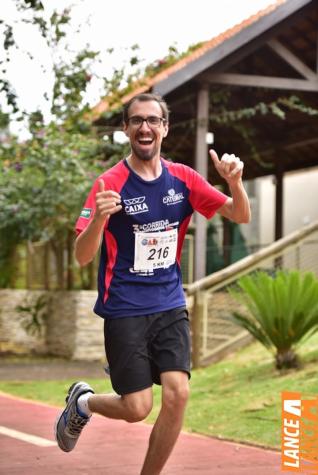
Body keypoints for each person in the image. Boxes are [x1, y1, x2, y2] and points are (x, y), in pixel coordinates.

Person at [54, 92, 251, 474]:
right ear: (127, 129)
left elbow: (239, 215)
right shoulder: (108, 183)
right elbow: (81, 255)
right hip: (125, 306)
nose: (145, 127)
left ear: (164, 128)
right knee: (137, 409)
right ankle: (84, 403)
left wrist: (235, 182)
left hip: (169, 302)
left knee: (178, 394)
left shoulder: (184, 179)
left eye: (152, 120)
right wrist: (98, 219)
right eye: (136, 121)